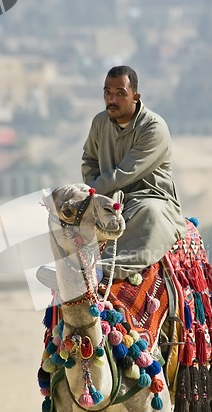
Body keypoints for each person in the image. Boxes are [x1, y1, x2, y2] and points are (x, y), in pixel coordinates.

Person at [82, 65, 187, 279]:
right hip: (107, 199)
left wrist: (90, 192)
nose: (112, 99)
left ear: (135, 96)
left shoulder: (153, 128)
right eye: (107, 93)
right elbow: (89, 159)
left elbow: (123, 174)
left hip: (150, 198)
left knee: (151, 215)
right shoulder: (100, 122)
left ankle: (105, 269)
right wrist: (92, 195)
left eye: (120, 93)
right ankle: (66, 272)